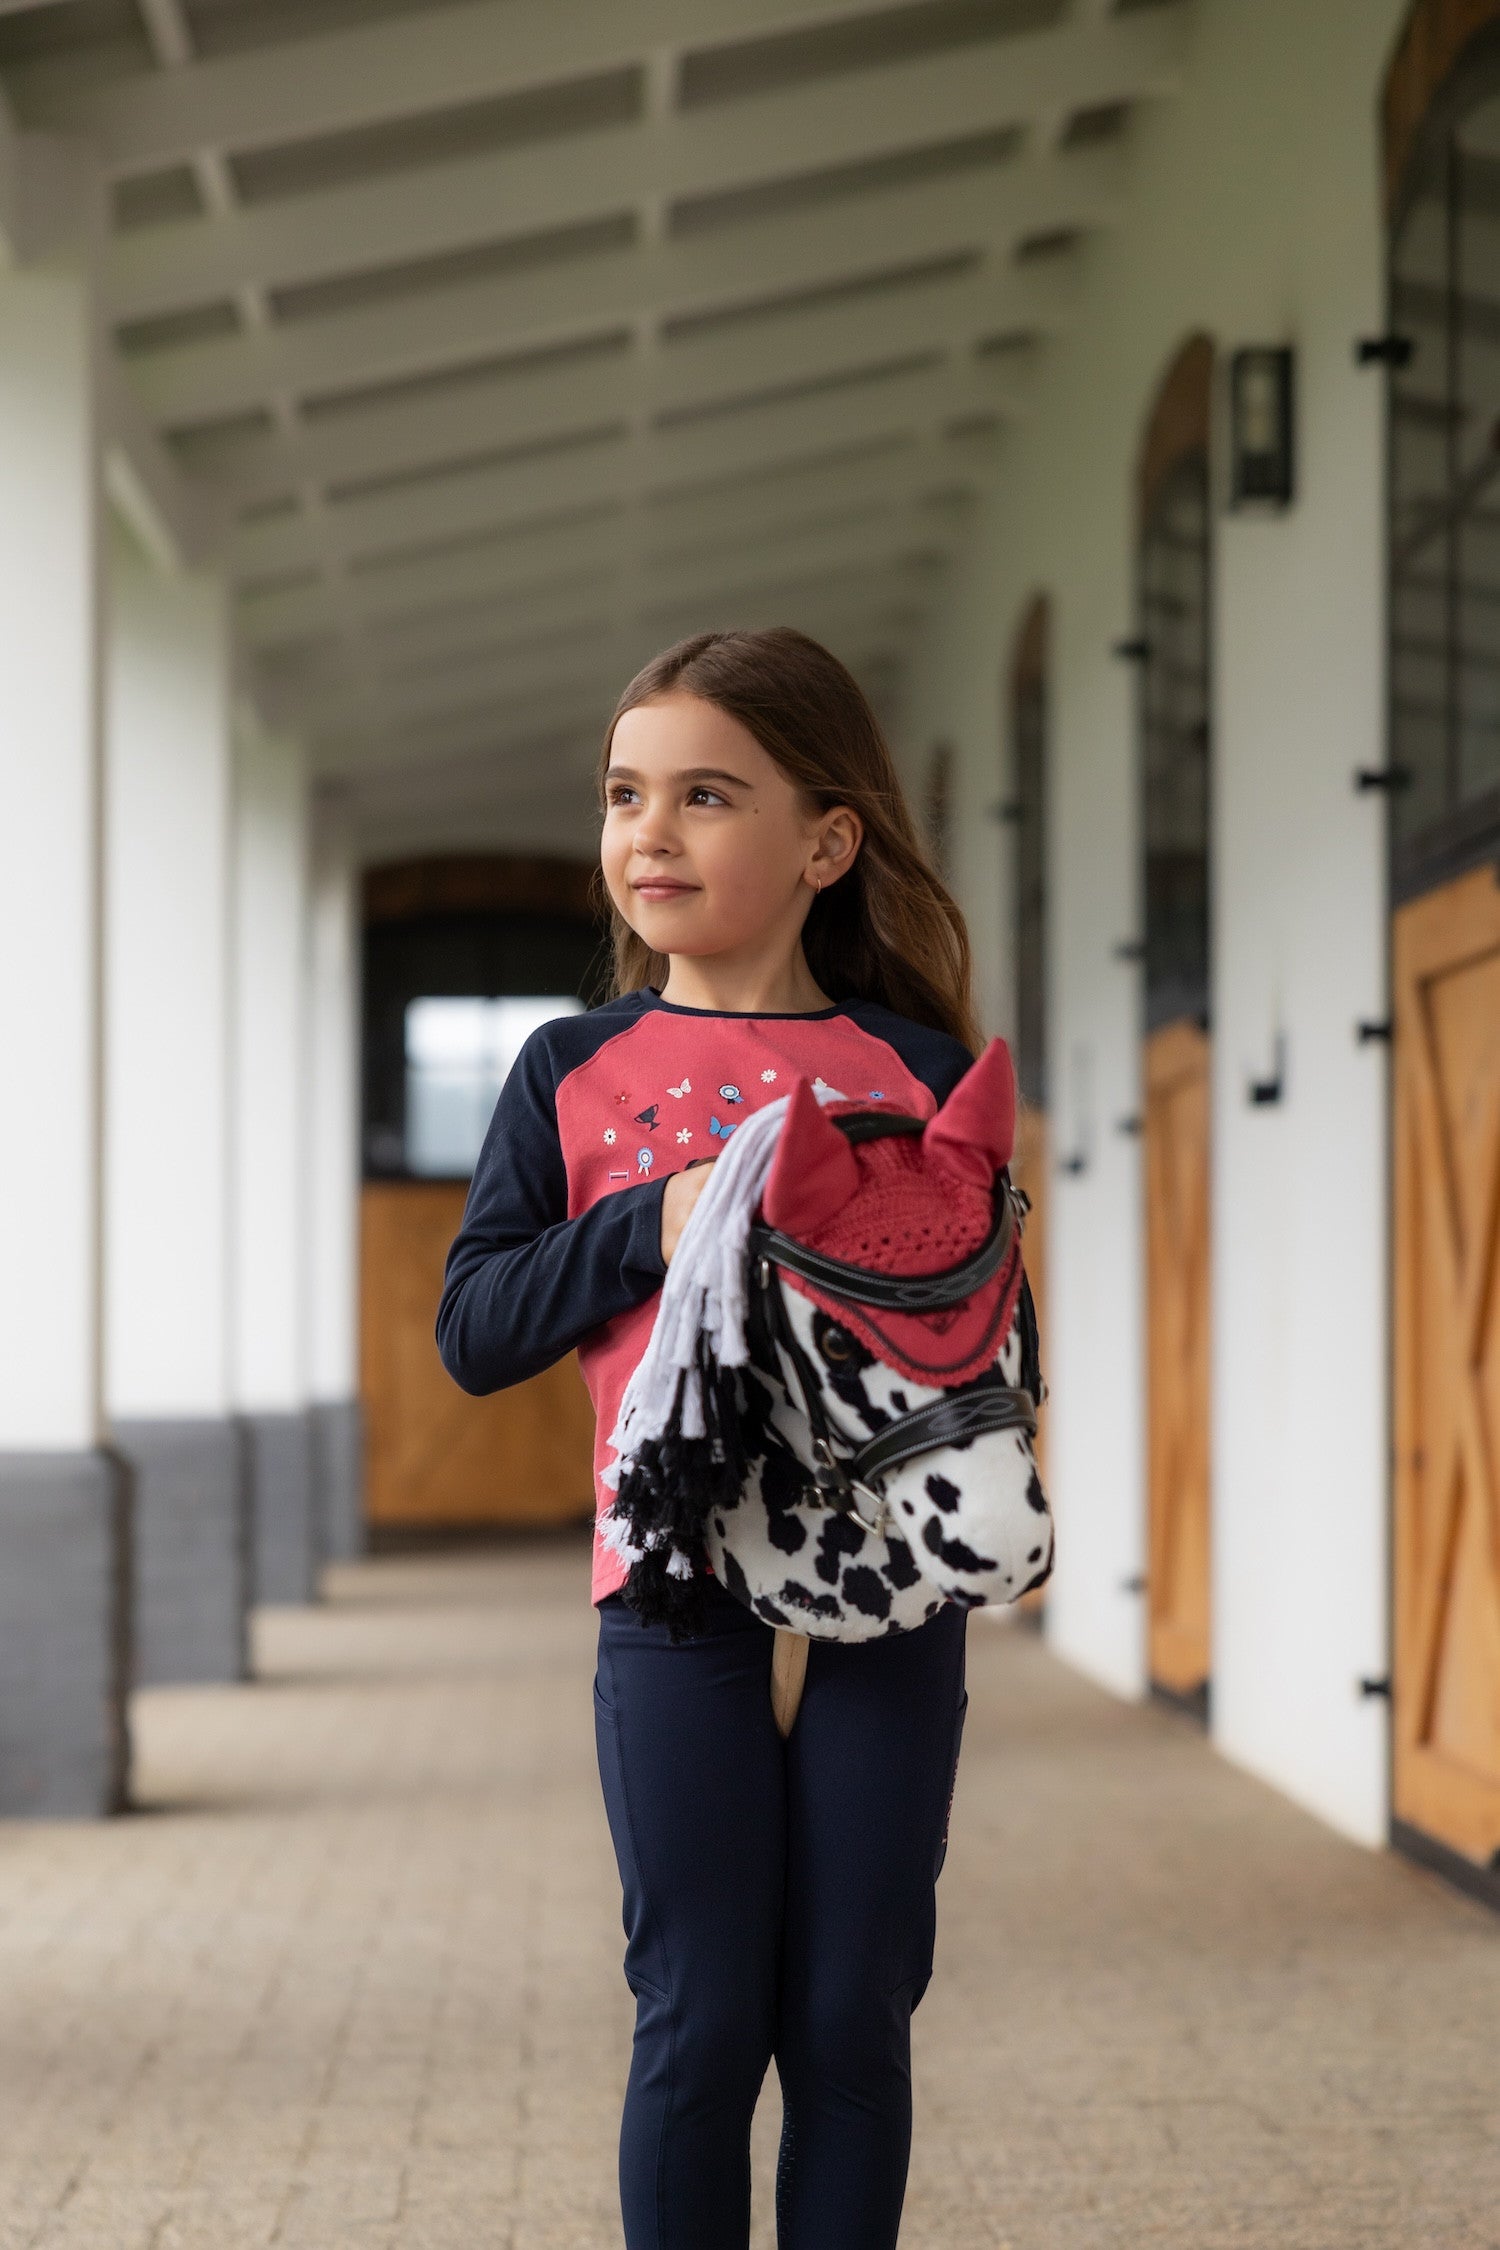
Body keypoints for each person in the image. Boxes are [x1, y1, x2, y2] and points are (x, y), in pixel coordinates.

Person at [437, 626, 982, 2250]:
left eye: (705, 795)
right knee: (700, 2015)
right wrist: (654, 1221)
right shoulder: (571, 1069)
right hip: (672, 1592)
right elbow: (476, 1326)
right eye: (626, 794)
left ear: (828, 842)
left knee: (851, 2013)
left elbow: (971, 1339)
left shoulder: (921, 1071)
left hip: (888, 1592)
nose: (648, 833)